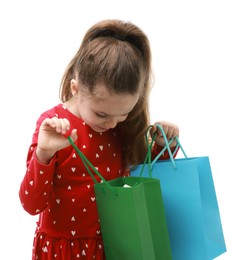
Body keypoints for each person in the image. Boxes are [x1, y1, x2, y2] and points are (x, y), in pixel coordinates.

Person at [19, 19, 179, 260]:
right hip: (64, 251)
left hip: (116, 243)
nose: (112, 124)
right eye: (102, 114)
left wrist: (164, 143)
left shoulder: (120, 126)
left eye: (123, 114)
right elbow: (31, 204)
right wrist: (43, 154)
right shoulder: (53, 126)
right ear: (75, 88)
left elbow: (142, 171)